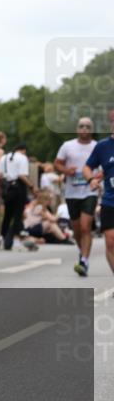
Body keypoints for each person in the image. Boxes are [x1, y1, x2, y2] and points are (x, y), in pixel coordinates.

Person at [54, 117, 98, 276]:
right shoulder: (68, 146)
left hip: (90, 191)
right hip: (72, 192)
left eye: (88, 126)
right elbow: (57, 163)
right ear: (77, 129)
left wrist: (96, 177)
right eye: (81, 126)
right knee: (77, 229)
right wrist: (66, 171)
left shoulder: (97, 147)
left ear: (92, 130)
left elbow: (105, 165)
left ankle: (84, 261)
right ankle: (82, 253)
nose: (84, 129)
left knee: (86, 227)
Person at [83, 108, 114, 284]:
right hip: (110, 201)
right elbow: (87, 167)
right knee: (110, 242)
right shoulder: (102, 146)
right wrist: (91, 180)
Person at [0, 143, 39, 251]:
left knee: (7, 215)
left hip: (7, 187)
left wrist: (2, 187)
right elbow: (22, 175)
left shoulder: (3, 158)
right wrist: (32, 186)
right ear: (23, 150)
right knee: (18, 214)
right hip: (18, 187)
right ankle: (16, 240)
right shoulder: (22, 158)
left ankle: (3, 239)